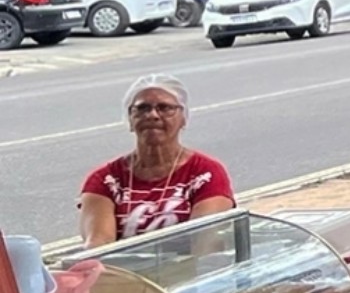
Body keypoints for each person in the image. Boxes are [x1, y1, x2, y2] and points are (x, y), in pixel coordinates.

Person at [80, 75, 235, 247]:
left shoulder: (206, 172)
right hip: (123, 273)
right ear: (130, 119)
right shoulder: (105, 179)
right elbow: (98, 245)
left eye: (165, 108)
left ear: (183, 118)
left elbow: (204, 240)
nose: (152, 115)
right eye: (142, 108)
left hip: (187, 270)